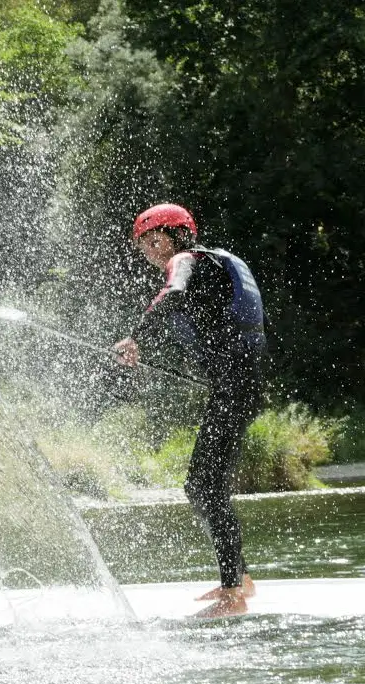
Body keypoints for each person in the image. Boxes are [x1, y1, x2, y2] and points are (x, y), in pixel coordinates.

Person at [112, 203, 265, 618]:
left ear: (177, 236)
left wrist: (135, 338)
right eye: (143, 244)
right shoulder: (210, 268)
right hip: (239, 388)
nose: (149, 250)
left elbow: (173, 293)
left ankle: (234, 593)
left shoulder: (185, 262)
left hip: (235, 389)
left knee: (204, 486)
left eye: (153, 239)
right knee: (204, 485)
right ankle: (239, 579)